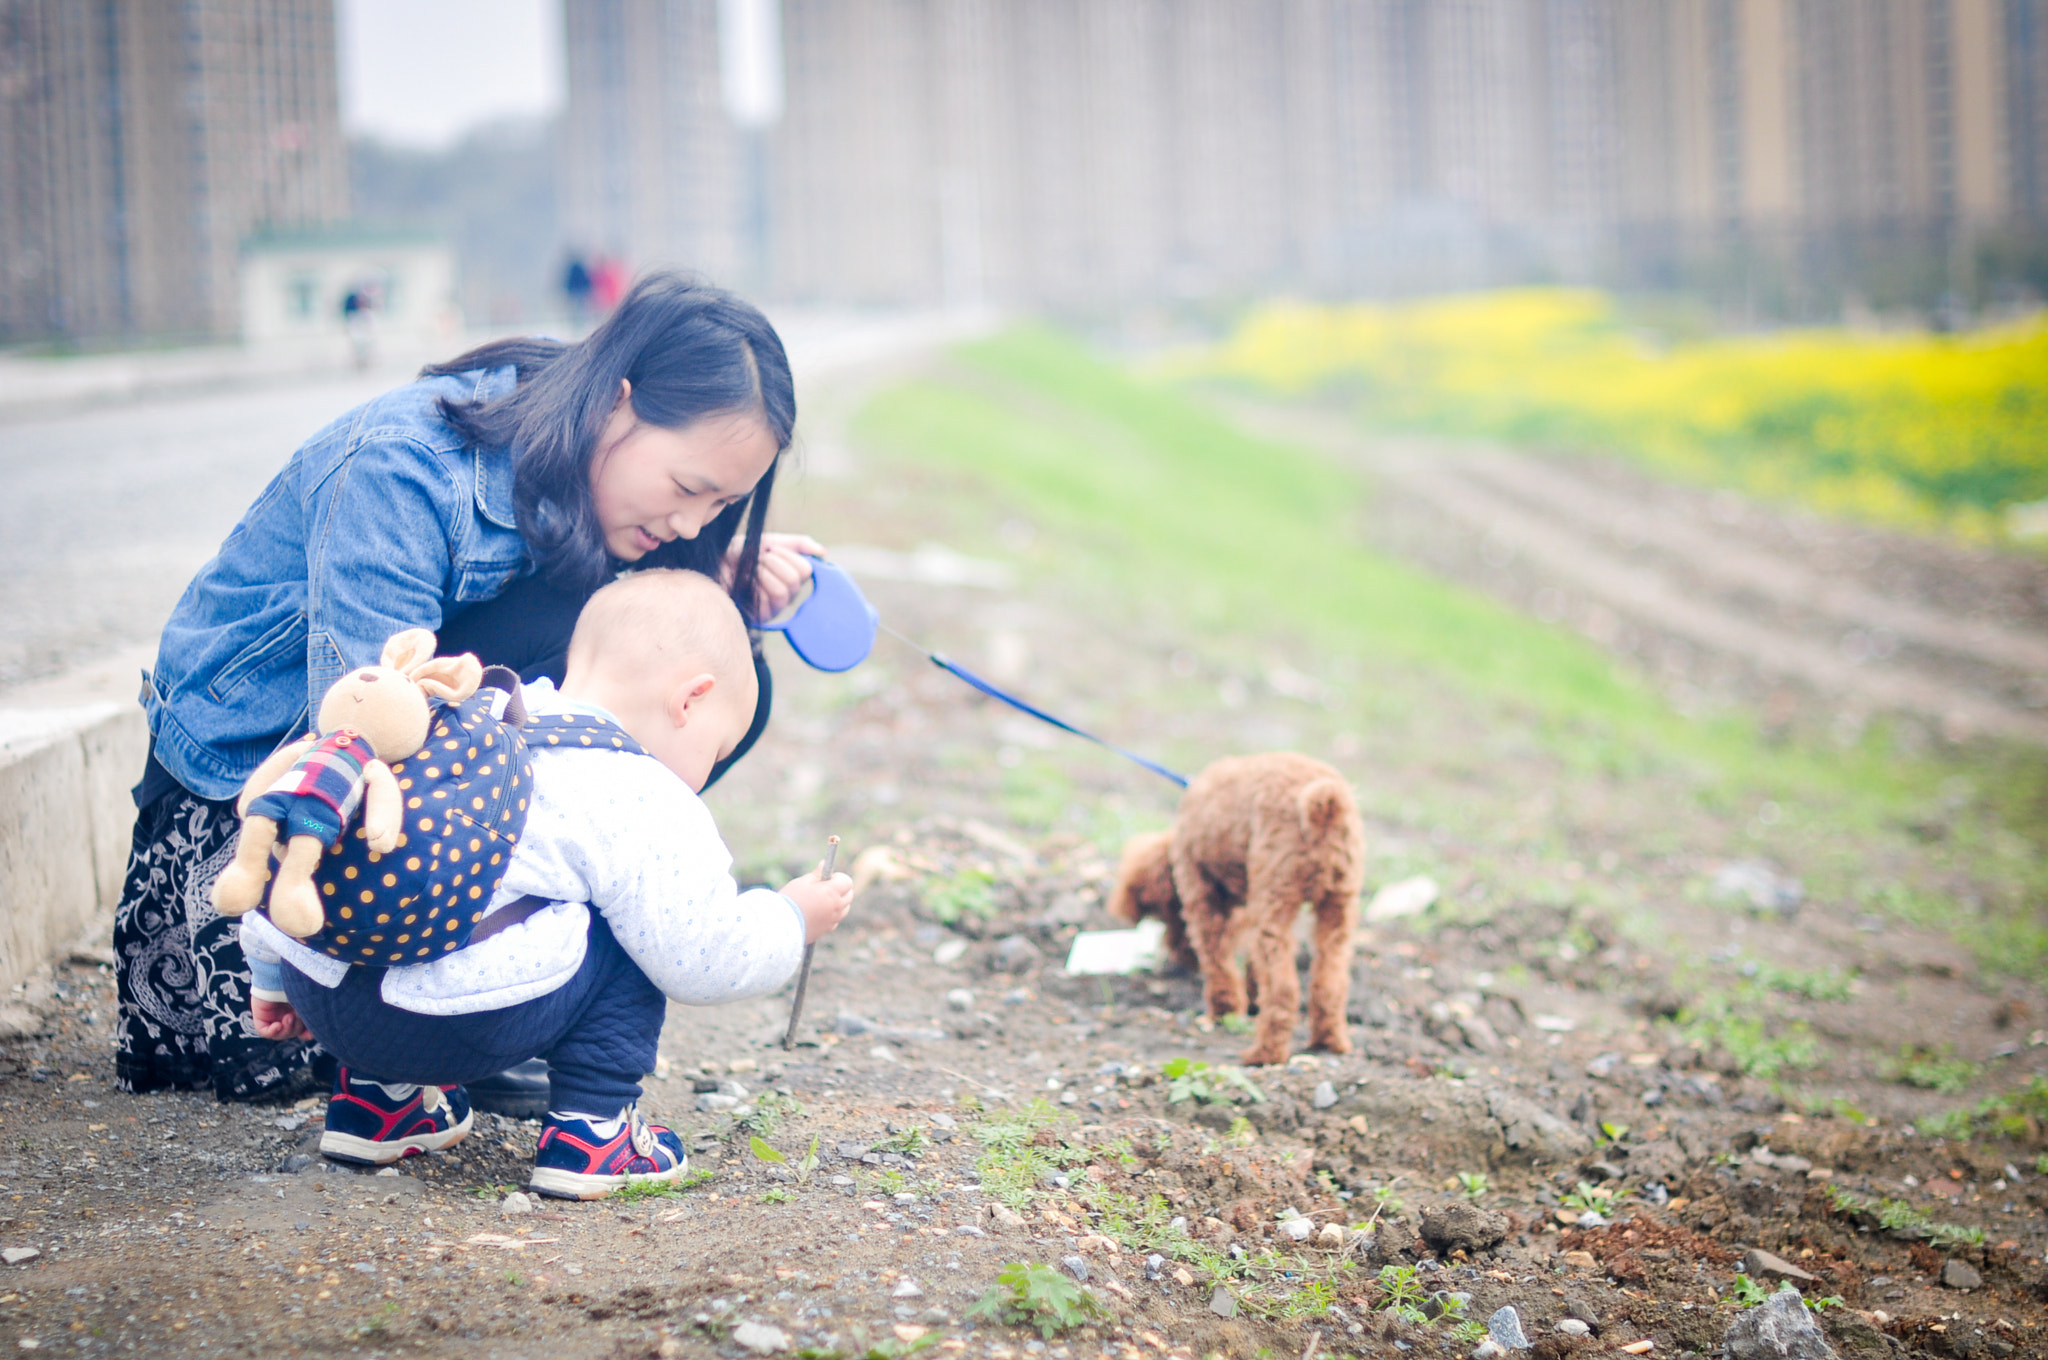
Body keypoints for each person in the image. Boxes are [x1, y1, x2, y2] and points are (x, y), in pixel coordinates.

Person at [116, 272, 822, 1104]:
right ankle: (453, 1011)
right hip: (264, 820)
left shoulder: (584, 462)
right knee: (625, 674)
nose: (696, 524)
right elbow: (361, 730)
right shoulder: (403, 468)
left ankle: (481, 993)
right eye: (687, 490)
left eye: (725, 504)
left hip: (423, 836)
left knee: (709, 677)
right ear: (619, 406)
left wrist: (708, 589)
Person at [241, 571, 854, 1196]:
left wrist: (271, 976)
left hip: (320, 992)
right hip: (455, 1024)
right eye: (717, 750)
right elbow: (700, 956)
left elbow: (303, 833)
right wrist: (792, 918)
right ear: (691, 699)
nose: (704, 773)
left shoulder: (464, 711)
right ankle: (595, 1134)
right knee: (636, 923)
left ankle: (378, 1105)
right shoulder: (638, 786)